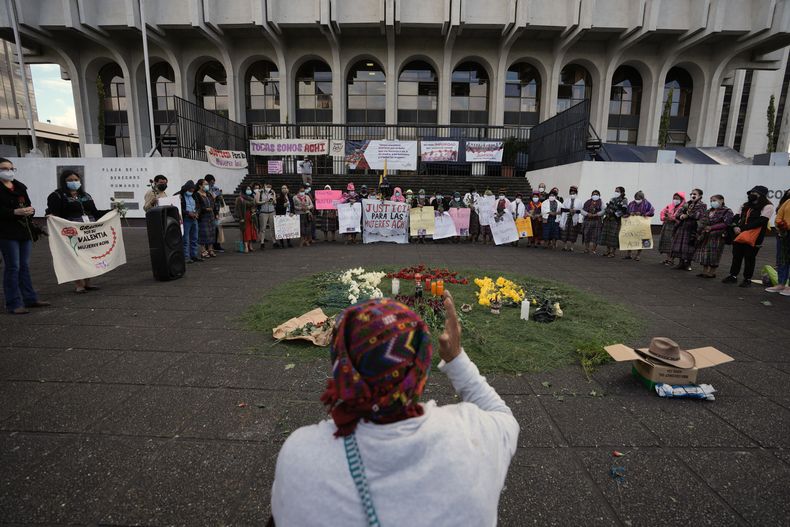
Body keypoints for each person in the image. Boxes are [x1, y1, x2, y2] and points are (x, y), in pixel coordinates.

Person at [270, 293, 519, 526]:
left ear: (341, 364)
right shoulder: (477, 436)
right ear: (420, 368)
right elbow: (503, 416)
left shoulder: (300, 457)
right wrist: (456, 358)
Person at [0, 158, 49, 314]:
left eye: (11, 168)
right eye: (4, 168)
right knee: (13, 267)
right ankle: (13, 303)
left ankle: (30, 298)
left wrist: (30, 210)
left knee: (24, 266)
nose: (8, 171)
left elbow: (28, 203)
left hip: (24, 231)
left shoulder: (19, 186)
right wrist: (13, 212)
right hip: (6, 232)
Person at [47, 169, 107, 291]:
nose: (73, 182)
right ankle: (79, 284)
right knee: (75, 256)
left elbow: (95, 213)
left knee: (89, 255)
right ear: (63, 181)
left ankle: (88, 282)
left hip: (88, 230)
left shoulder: (85, 195)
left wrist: (113, 211)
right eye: (70, 180)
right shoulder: (56, 195)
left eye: (76, 180)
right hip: (71, 230)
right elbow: (55, 213)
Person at [722, 185, 775, 287]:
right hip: (739, 234)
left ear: (761, 195)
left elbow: (761, 221)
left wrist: (742, 228)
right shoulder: (745, 205)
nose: (751, 195)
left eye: (754, 193)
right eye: (750, 193)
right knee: (736, 256)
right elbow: (736, 217)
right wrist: (734, 227)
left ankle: (747, 279)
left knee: (750, 257)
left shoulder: (768, 206)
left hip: (755, 237)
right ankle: (733, 276)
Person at [693, 194, 733, 278]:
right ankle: (704, 271)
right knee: (704, 253)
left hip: (717, 236)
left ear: (721, 200)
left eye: (714, 200)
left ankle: (711, 272)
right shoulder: (708, 211)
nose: (712, 202)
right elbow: (702, 220)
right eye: (711, 201)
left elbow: (726, 223)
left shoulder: (727, 211)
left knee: (714, 254)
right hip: (706, 235)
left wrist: (712, 227)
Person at [670, 188, 706, 271]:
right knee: (680, 246)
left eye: (695, 194)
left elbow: (698, 215)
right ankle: (681, 263)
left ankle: (688, 263)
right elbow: (678, 213)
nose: (693, 195)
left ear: (700, 196)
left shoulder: (702, 205)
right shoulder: (687, 204)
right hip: (683, 226)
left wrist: (687, 215)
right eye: (692, 194)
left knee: (690, 246)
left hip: (692, 228)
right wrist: (681, 216)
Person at [766, 189, 790, 294]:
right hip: (784, 234)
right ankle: (781, 284)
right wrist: (781, 226)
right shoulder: (788, 201)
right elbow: (779, 215)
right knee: (782, 259)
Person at [623, 191, 655, 261]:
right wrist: (629, 214)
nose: (637, 199)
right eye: (636, 198)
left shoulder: (647, 204)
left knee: (641, 239)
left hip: (642, 224)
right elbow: (627, 212)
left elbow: (652, 212)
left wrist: (642, 213)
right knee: (630, 238)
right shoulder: (631, 203)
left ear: (642, 198)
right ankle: (629, 254)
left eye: (638, 198)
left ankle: (638, 255)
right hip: (632, 224)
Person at [176, 180, 201, 263]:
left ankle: (194, 255)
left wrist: (197, 212)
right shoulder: (179, 195)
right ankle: (186, 257)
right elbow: (176, 208)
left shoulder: (194, 195)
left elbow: (198, 205)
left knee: (195, 238)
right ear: (186, 188)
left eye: (193, 190)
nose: (191, 192)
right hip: (186, 219)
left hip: (194, 218)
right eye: (190, 190)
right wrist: (187, 213)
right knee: (185, 239)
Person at [599, 186, 628, 258]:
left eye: (617, 191)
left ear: (622, 192)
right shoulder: (612, 199)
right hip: (608, 218)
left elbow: (624, 210)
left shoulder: (624, 200)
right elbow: (608, 207)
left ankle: (613, 252)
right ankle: (607, 250)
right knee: (607, 235)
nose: (616, 192)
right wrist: (607, 213)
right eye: (615, 191)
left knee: (614, 236)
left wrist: (614, 214)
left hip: (615, 220)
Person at [658, 192, 686, 266]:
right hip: (667, 226)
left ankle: (671, 260)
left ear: (681, 199)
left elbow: (680, 218)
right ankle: (668, 259)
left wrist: (672, 218)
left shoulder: (683, 207)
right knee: (667, 242)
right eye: (674, 198)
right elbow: (662, 213)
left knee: (673, 243)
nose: (675, 200)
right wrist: (664, 217)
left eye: (677, 199)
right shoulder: (670, 206)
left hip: (676, 227)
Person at [195, 178, 217, 258]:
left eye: (207, 184)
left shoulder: (208, 193)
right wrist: (204, 209)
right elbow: (197, 205)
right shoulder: (197, 194)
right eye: (205, 184)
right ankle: (203, 250)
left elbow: (213, 203)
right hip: (203, 216)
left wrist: (214, 211)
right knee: (203, 233)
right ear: (200, 185)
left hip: (210, 215)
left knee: (212, 232)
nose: (207, 186)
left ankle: (210, 249)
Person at [235, 186, 258, 253]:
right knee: (246, 231)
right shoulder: (240, 198)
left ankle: (250, 245)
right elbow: (238, 209)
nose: (249, 190)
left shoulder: (251, 198)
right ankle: (245, 246)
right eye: (247, 189)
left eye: (250, 189)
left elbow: (254, 206)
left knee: (251, 231)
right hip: (244, 216)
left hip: (251, 216)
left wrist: (254, 210)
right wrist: (241, 218)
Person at [205, 175, 225, 252]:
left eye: (213, 182)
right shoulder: (204, 189)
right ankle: (208, 246)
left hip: (216, 210)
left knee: (217, 229)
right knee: (208, 230)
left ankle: (217, 245)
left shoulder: (216, 188)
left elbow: (220, 198)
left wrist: (219, 195)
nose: (212, 183)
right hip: (207, 211)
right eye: (210, 182)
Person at [580, 190, 604, 254]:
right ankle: (586, 248)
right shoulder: (587, 202)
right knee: (586, 234)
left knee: (596, 235)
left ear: (599, 195)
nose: (595, 195)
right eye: (594, 194)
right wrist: (587, 214)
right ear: (591, 195)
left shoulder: (601, 202)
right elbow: (582, 211)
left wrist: (596, 214)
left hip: (597, 221)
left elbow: (603, 211)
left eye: (596, 194)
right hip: (587, 220)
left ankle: (593, 249)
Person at [560, 185, 582, 251]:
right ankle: (565, 246)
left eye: (574, 193)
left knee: (573, 233)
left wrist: (575, 211)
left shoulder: (579, 201)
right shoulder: (566, 200)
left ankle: (572, 247)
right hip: (566, 218)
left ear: (576, 193)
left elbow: (581, 210)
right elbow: (562, 209)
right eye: (571, 193)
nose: (572, 194)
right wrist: (569, 210)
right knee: (565, 232)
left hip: (574, 218)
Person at [257, 181, 276, 250]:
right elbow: (256, 202)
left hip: (272, 211)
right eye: (268, 186)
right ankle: (262, 242)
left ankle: (274, 241)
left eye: (270, 186)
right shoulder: (260, 192)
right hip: (263, 212)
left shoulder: (272, 192)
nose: (269, 188)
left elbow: (275, 201)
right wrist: (265, 201)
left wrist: (273, 200)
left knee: (272, 227)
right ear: (264, 185)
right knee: (263, 228)